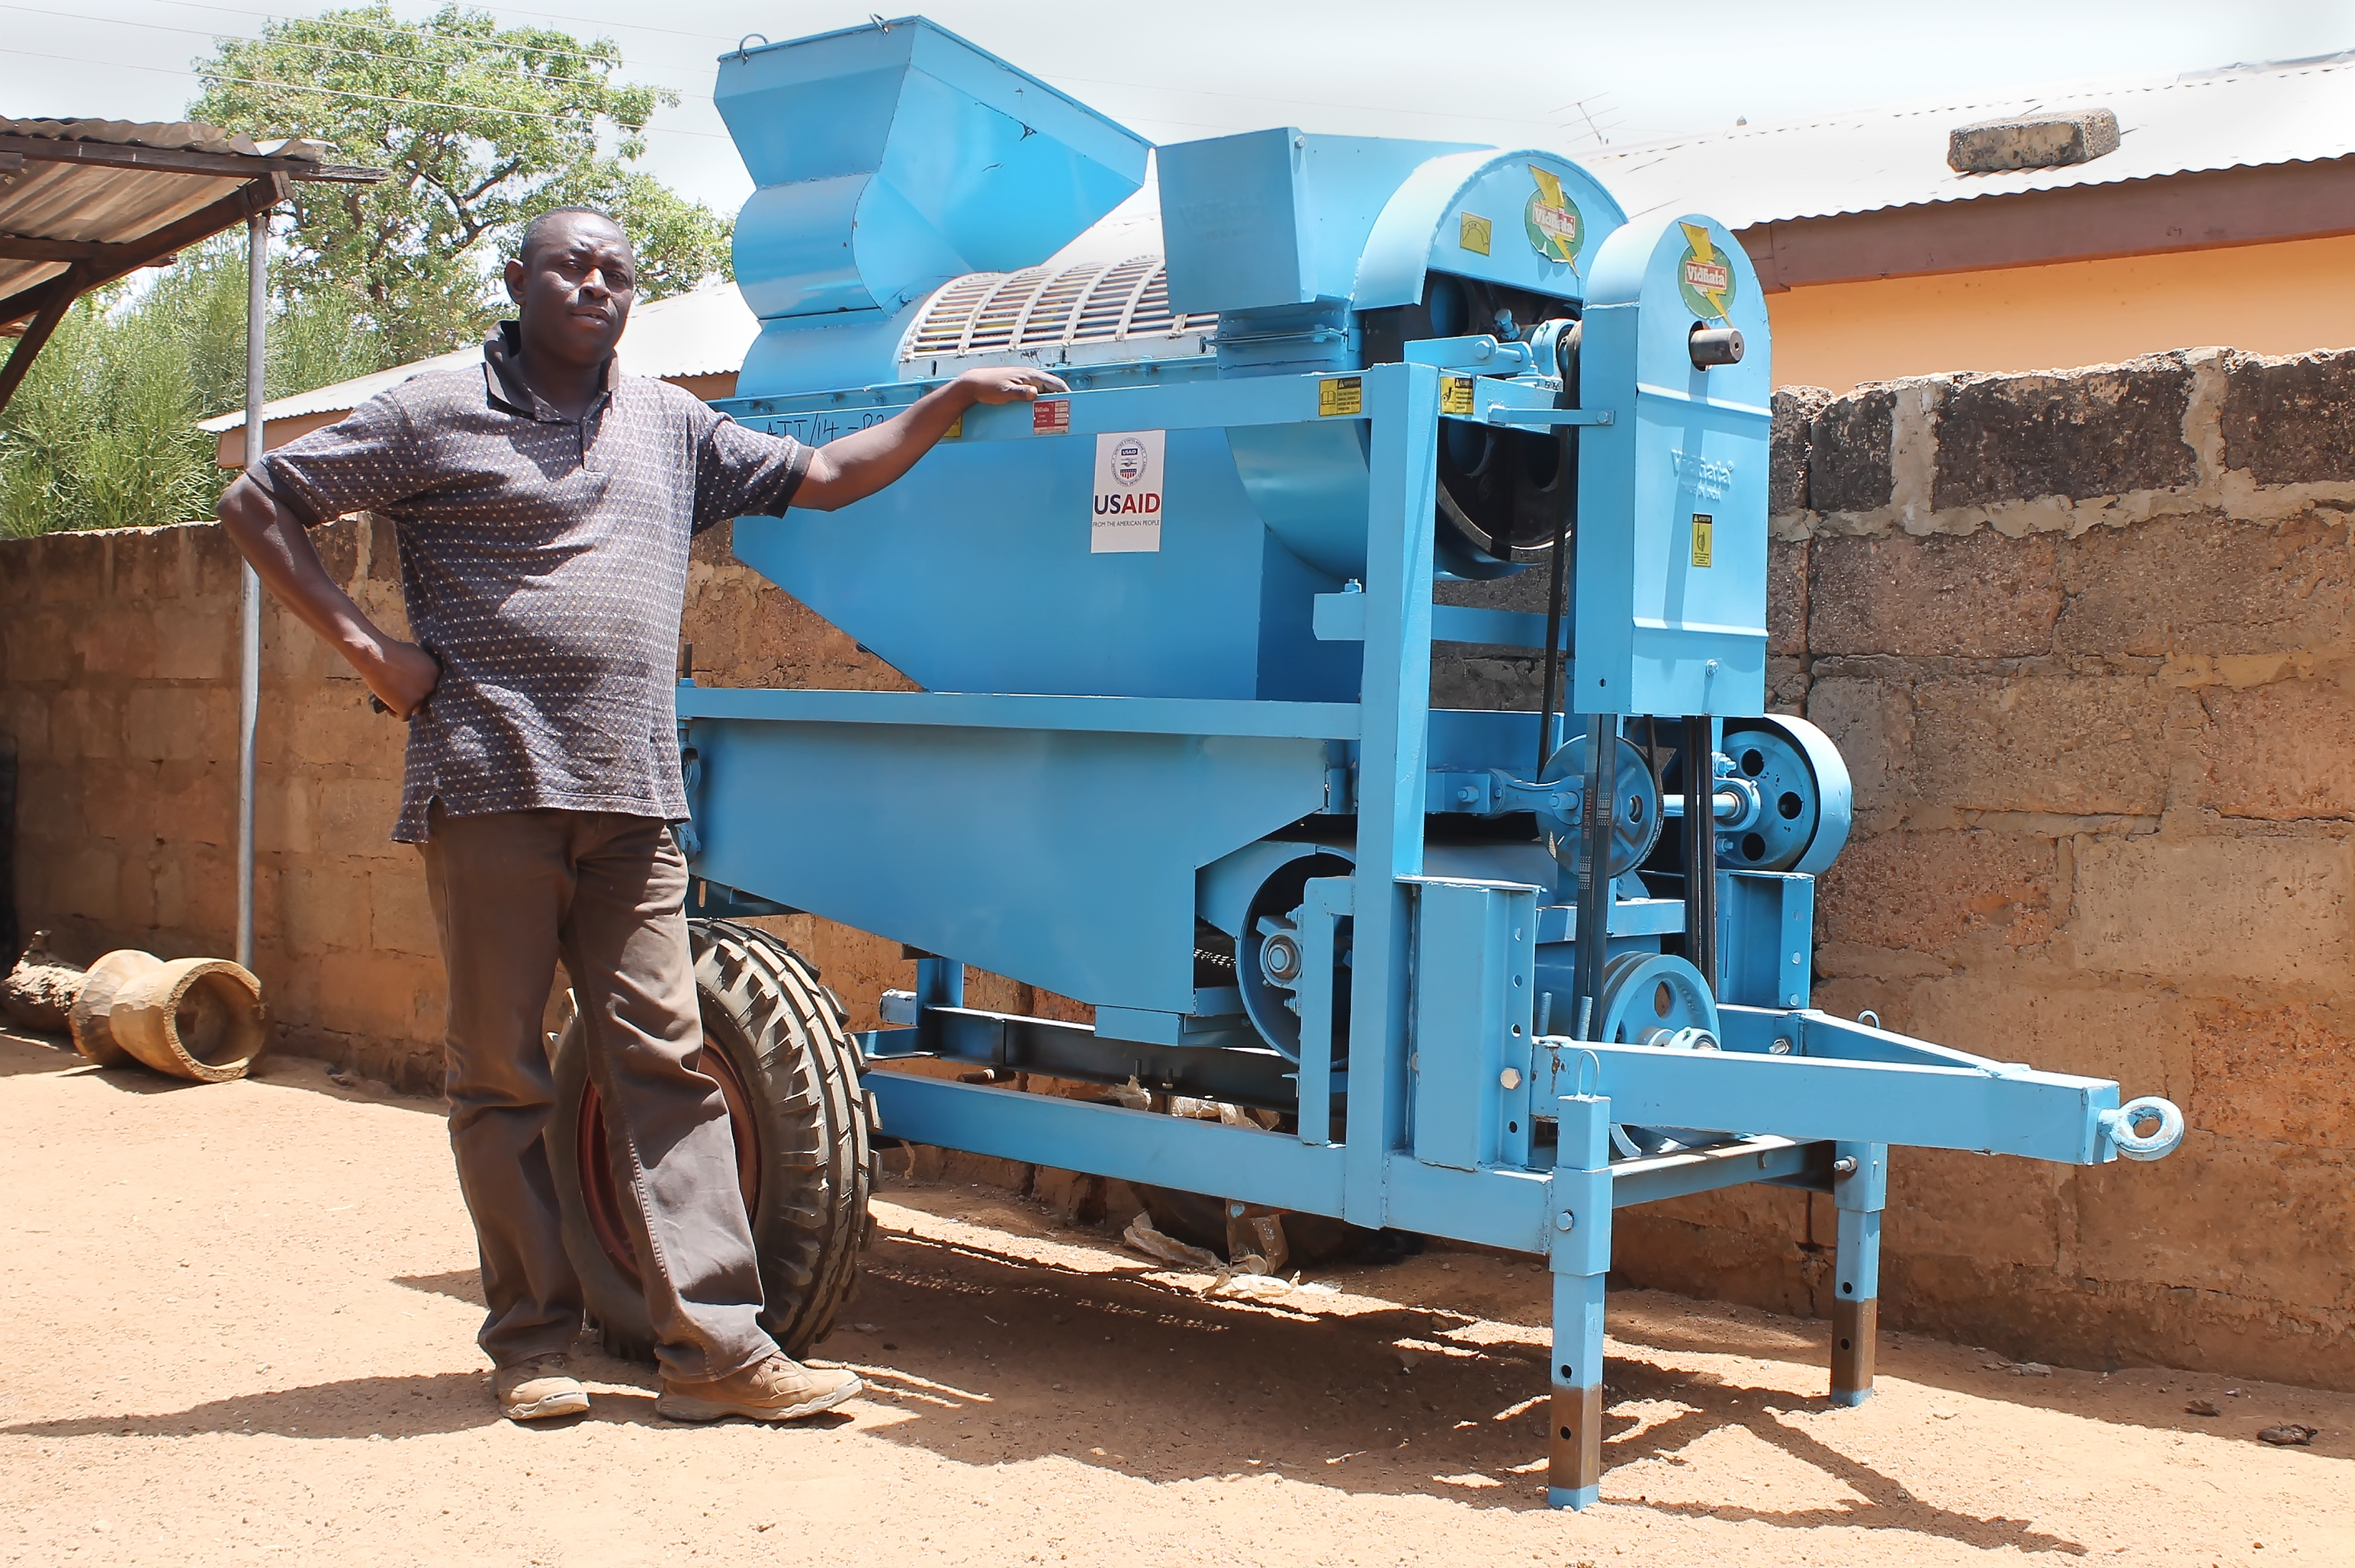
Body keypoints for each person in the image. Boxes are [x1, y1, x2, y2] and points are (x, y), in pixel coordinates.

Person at [220, 207, 1065, 1425]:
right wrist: (369, 651)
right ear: (517, 280)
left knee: (666, 1065)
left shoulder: (669, 423)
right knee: (502, 1075)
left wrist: (944, 401)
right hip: (491, 783)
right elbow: (261, 501)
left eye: (617, 272)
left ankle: (714, 1351)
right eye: (571, 266)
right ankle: (530, 1349)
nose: (597, 286)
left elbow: (824, 479)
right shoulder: (434, 408)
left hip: (634, 797)